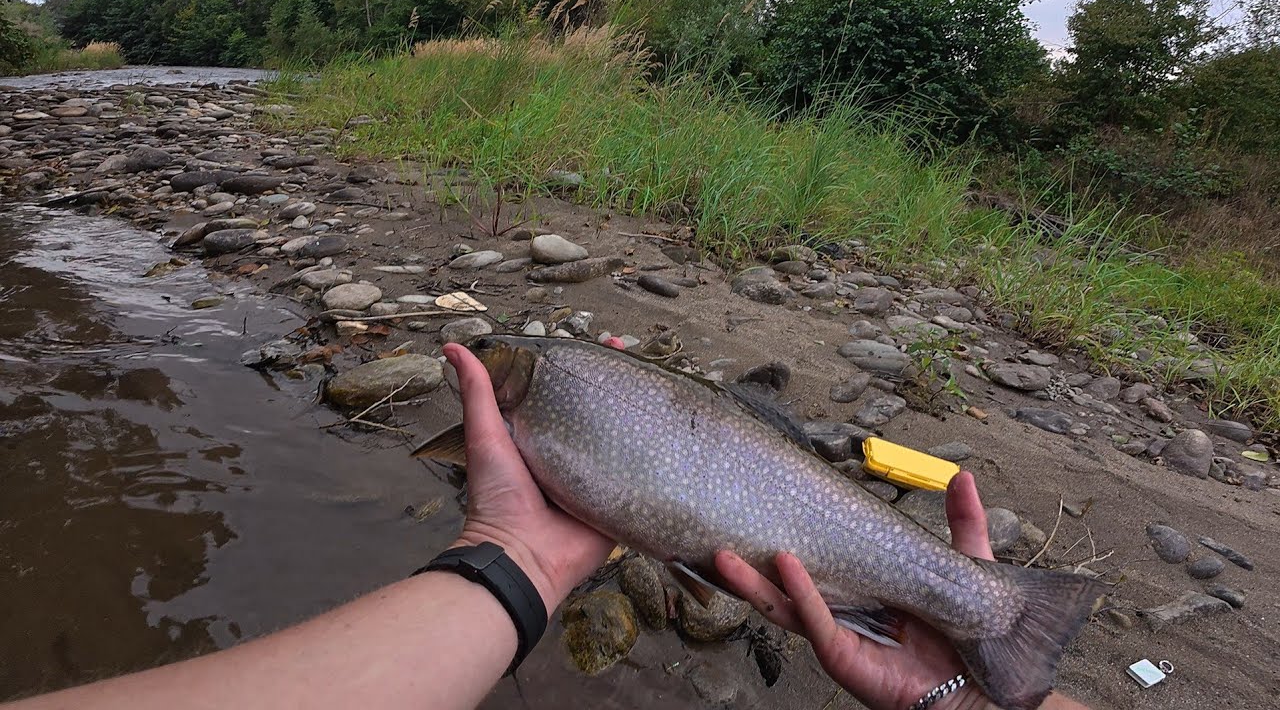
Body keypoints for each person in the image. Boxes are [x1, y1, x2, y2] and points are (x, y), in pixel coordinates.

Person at [5, 344, 1089, 710]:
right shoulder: (548, 383)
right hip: (751, 520)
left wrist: (506, 550)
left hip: (746, 510)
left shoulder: (539, 379)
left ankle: (995, 616)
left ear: (492, 382)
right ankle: (998, 618)